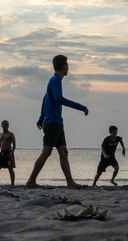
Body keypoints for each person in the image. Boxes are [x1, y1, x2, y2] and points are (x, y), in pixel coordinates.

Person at [26, 55, 89, 188]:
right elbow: (59, 99)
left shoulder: (55, 81)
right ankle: (31, 180)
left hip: (57, 123)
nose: (68, 68)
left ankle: (70, 182)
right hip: (52, 123)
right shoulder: (55, 81)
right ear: (63, 67)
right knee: (46, 152)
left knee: (63, 152)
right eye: (67, 65)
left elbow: (45, 99)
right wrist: (81, 107)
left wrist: (40, 118)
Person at [0, 120, 16, 186]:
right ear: (1, 125)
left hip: (8, 152)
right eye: (4, 124)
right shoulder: (0, 135)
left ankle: (12, 184)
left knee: (10, 168)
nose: (5, 126)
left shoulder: (11, 134)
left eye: (7, 124)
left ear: (8, 126)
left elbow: (14, 144)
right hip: (2, 152)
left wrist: (12, 151)